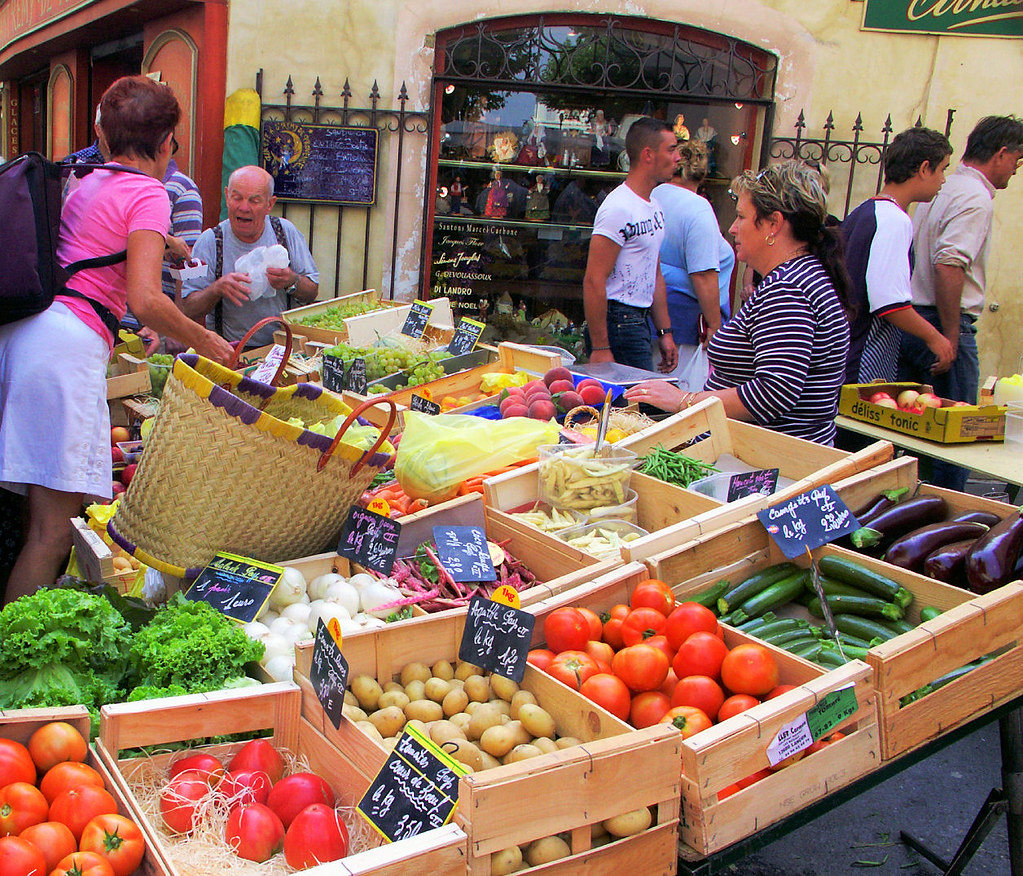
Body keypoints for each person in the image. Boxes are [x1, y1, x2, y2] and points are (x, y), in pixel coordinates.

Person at [0, 75, 235, 604]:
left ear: (104, 135)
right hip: (67, 348)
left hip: (30, 336)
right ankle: (13, 665)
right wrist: (207, 341)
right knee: (53, 532)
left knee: (36, 520)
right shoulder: (151, 193)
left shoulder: (90, 179)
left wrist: (165, 244)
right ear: (167, 142)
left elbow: (101, 244)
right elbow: (147, 300)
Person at [626, 161, 852, 445]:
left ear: (773, 224)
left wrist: (684, 400)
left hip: (764, 464)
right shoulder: (797, 277)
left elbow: (773, 393)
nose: (732, 229)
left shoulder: (788, 289)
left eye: (742, 217)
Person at [898, 115, 1023, 490]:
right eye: (1017, 160)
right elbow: (949, 265)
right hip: (941, 321)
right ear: (1001, 154)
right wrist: (949, 336)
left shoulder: (946, 187)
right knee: (960, 435)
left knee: (914, 431)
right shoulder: (975, 197)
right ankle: (948, 514)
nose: (1015, 171)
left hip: (916, 318)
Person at [842, 127, 954, 385]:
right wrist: (935, 338)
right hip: (861, 359)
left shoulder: (864, 212)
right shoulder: (893, 219)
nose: (944, 179)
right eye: (943, 169)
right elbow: (888, 302)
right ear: (925, 168)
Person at [181, 166, 319, 348]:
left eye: (254, 201)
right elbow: (187, 308)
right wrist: (217, 289)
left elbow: (313, 290)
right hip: (229, 350)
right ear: (227, 197)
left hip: (282, 349)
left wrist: (291, 280)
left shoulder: (286, 232)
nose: (244, 208)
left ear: (270, 204)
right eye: (237, 198)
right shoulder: (208, 241)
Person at [582, 116, 679, 373]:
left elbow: (654, 273)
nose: (678, 157)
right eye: (671, 149)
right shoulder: (618, 207)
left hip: (639, 319)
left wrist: (665, 331)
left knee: (639, 404)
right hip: (618, 320)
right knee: (638, 404)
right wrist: (601, 346)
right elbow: (594, 279)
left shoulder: (653, 205)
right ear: (648, 154)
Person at [654, 138, 735, 389]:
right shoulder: (698, 209)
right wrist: (715, 327)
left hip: (654, 315)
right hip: (687, 324)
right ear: (702, 174)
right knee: (681, 397)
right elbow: (704, 275)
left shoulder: (654, 195)